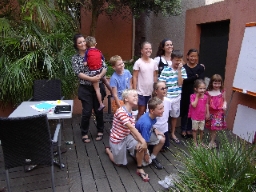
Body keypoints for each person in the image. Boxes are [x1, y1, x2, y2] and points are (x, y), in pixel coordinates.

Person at [105, 89, 149, 182]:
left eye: (137, 96)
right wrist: (143, 141)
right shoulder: (121, 112)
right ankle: (109, 151)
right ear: (126, 99)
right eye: (133, 96)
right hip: (117, 139)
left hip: (127, 136)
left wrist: (142, 145)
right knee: (119, 164)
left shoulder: (131, 112)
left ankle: (139, 167)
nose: (136, 97)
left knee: (140, 145)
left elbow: (132, 131)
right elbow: (131, 128)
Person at [72, 34, 106, 143]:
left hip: (98, 84)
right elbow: (78, 73)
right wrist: (91, 79)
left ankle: (100, 130)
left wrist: (99, 76)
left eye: (83, 41)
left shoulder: (95, 51)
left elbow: (104, 67)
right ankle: (84, 132)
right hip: (85, 88)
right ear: (76, 45)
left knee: (98, 110)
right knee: (86, 111)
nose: (82, 44)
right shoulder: (75, 58)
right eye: (79, 42)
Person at [159, 50, 187, 144]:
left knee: (175, 116)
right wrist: (164, 95)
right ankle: (164, 133)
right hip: (166, 98)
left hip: (176, 97)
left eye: (180, 60)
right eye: (176, 60)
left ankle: (173, 133)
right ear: (171, 59)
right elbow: (162, 84)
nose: (178, 62)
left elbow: (180, 84)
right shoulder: (166, 70)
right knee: (164, 116)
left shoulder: (182, 70)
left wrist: (179, 71)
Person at [180, 49, 205, 139]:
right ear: (187, 56)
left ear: (197, 57)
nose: (193, 58)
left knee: (193, 111)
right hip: (185, 92)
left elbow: (200, 81)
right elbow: (184, 81)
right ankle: (183, 128)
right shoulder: (183, 68)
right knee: (185, 111)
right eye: (191, 56)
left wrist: (193, 78)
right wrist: (195, 76)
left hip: (196, 93)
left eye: (195, 56)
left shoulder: (200, 68)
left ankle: (189, 128)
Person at [135, 97, 165, 169]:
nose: (163, 110)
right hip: (139, 139)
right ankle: (135, 155)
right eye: (160, 109)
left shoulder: (152, 115)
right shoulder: (146, 123)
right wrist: (145, 154)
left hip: (146, 134)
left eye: (163, 107)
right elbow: (145, 142)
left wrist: (154, 129)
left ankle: (153, 157)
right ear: (152, 110)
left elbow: (150, 125)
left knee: (162, 139)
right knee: (146, 163)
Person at [83, 36, 111, 111]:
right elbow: (103, 59)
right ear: (95, 44)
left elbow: (85, 63)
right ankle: (112, 91)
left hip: (93, 72)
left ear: (87, 45)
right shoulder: (99, 51)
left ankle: (101, 104)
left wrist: (87, 62)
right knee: (105, 80)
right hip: (100, 70)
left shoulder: (87, 52)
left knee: (97, 89)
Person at [133, 42, 158, 119]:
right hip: (141, 92)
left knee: (151, 111)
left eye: (150, 49)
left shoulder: (154, 62)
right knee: (141, 111)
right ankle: (138, 128)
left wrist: (155, 89)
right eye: (146, 49)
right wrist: (134, 90)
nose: (148, 50)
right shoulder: (138, 62)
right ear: (142, 51)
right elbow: (135, 77)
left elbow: (155, 75)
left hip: (150, 92)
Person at [205, 74, 227, 149]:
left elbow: (225, 101)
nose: (217, 85)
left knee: (214, 128)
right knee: (210, 128)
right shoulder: (208, 92)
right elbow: (207, 104)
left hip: (218, 113)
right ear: (211, 83)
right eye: (215, 83)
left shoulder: (222, 91)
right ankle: (212, 140)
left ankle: (211, 142)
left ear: (221, 83)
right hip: (211, 113)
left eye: (219, 83)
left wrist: (224, 105)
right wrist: (207, 113)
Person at [152, 81, 172, 151]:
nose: (165, 90)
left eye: (166, 88)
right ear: (156, 91)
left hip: (164, 127)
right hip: (155, 127)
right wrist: (154, 129)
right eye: (162, 89)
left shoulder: (168, 101)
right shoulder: (152, 102)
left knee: (165, 147)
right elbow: (150, 117)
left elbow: (167, 115)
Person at [188, 79, 209, 146]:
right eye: (200, 88)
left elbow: (206, 105)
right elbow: (194, 105)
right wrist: (197, 97)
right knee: (194, 130)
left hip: (202, 116)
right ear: (196, 89)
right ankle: (195, 142)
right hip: (195, 117)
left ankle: (200, 141)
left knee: (201, 130)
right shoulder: (192, 96)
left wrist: (207, 113)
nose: (202, 90)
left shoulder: (206, 97)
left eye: (204, 88)